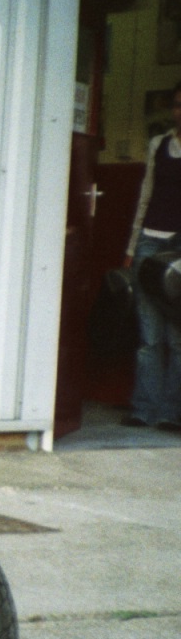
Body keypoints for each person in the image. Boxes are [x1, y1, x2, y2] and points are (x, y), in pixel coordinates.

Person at [123, 81, 181, 431]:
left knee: (177, 338)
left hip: (179, 251)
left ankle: (171, 414)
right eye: (177, 104)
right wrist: (132, 247)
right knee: (149, 337)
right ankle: (143, 409)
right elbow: (145, 196)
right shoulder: (158, 144)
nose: (180, 111)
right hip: (150, 243)